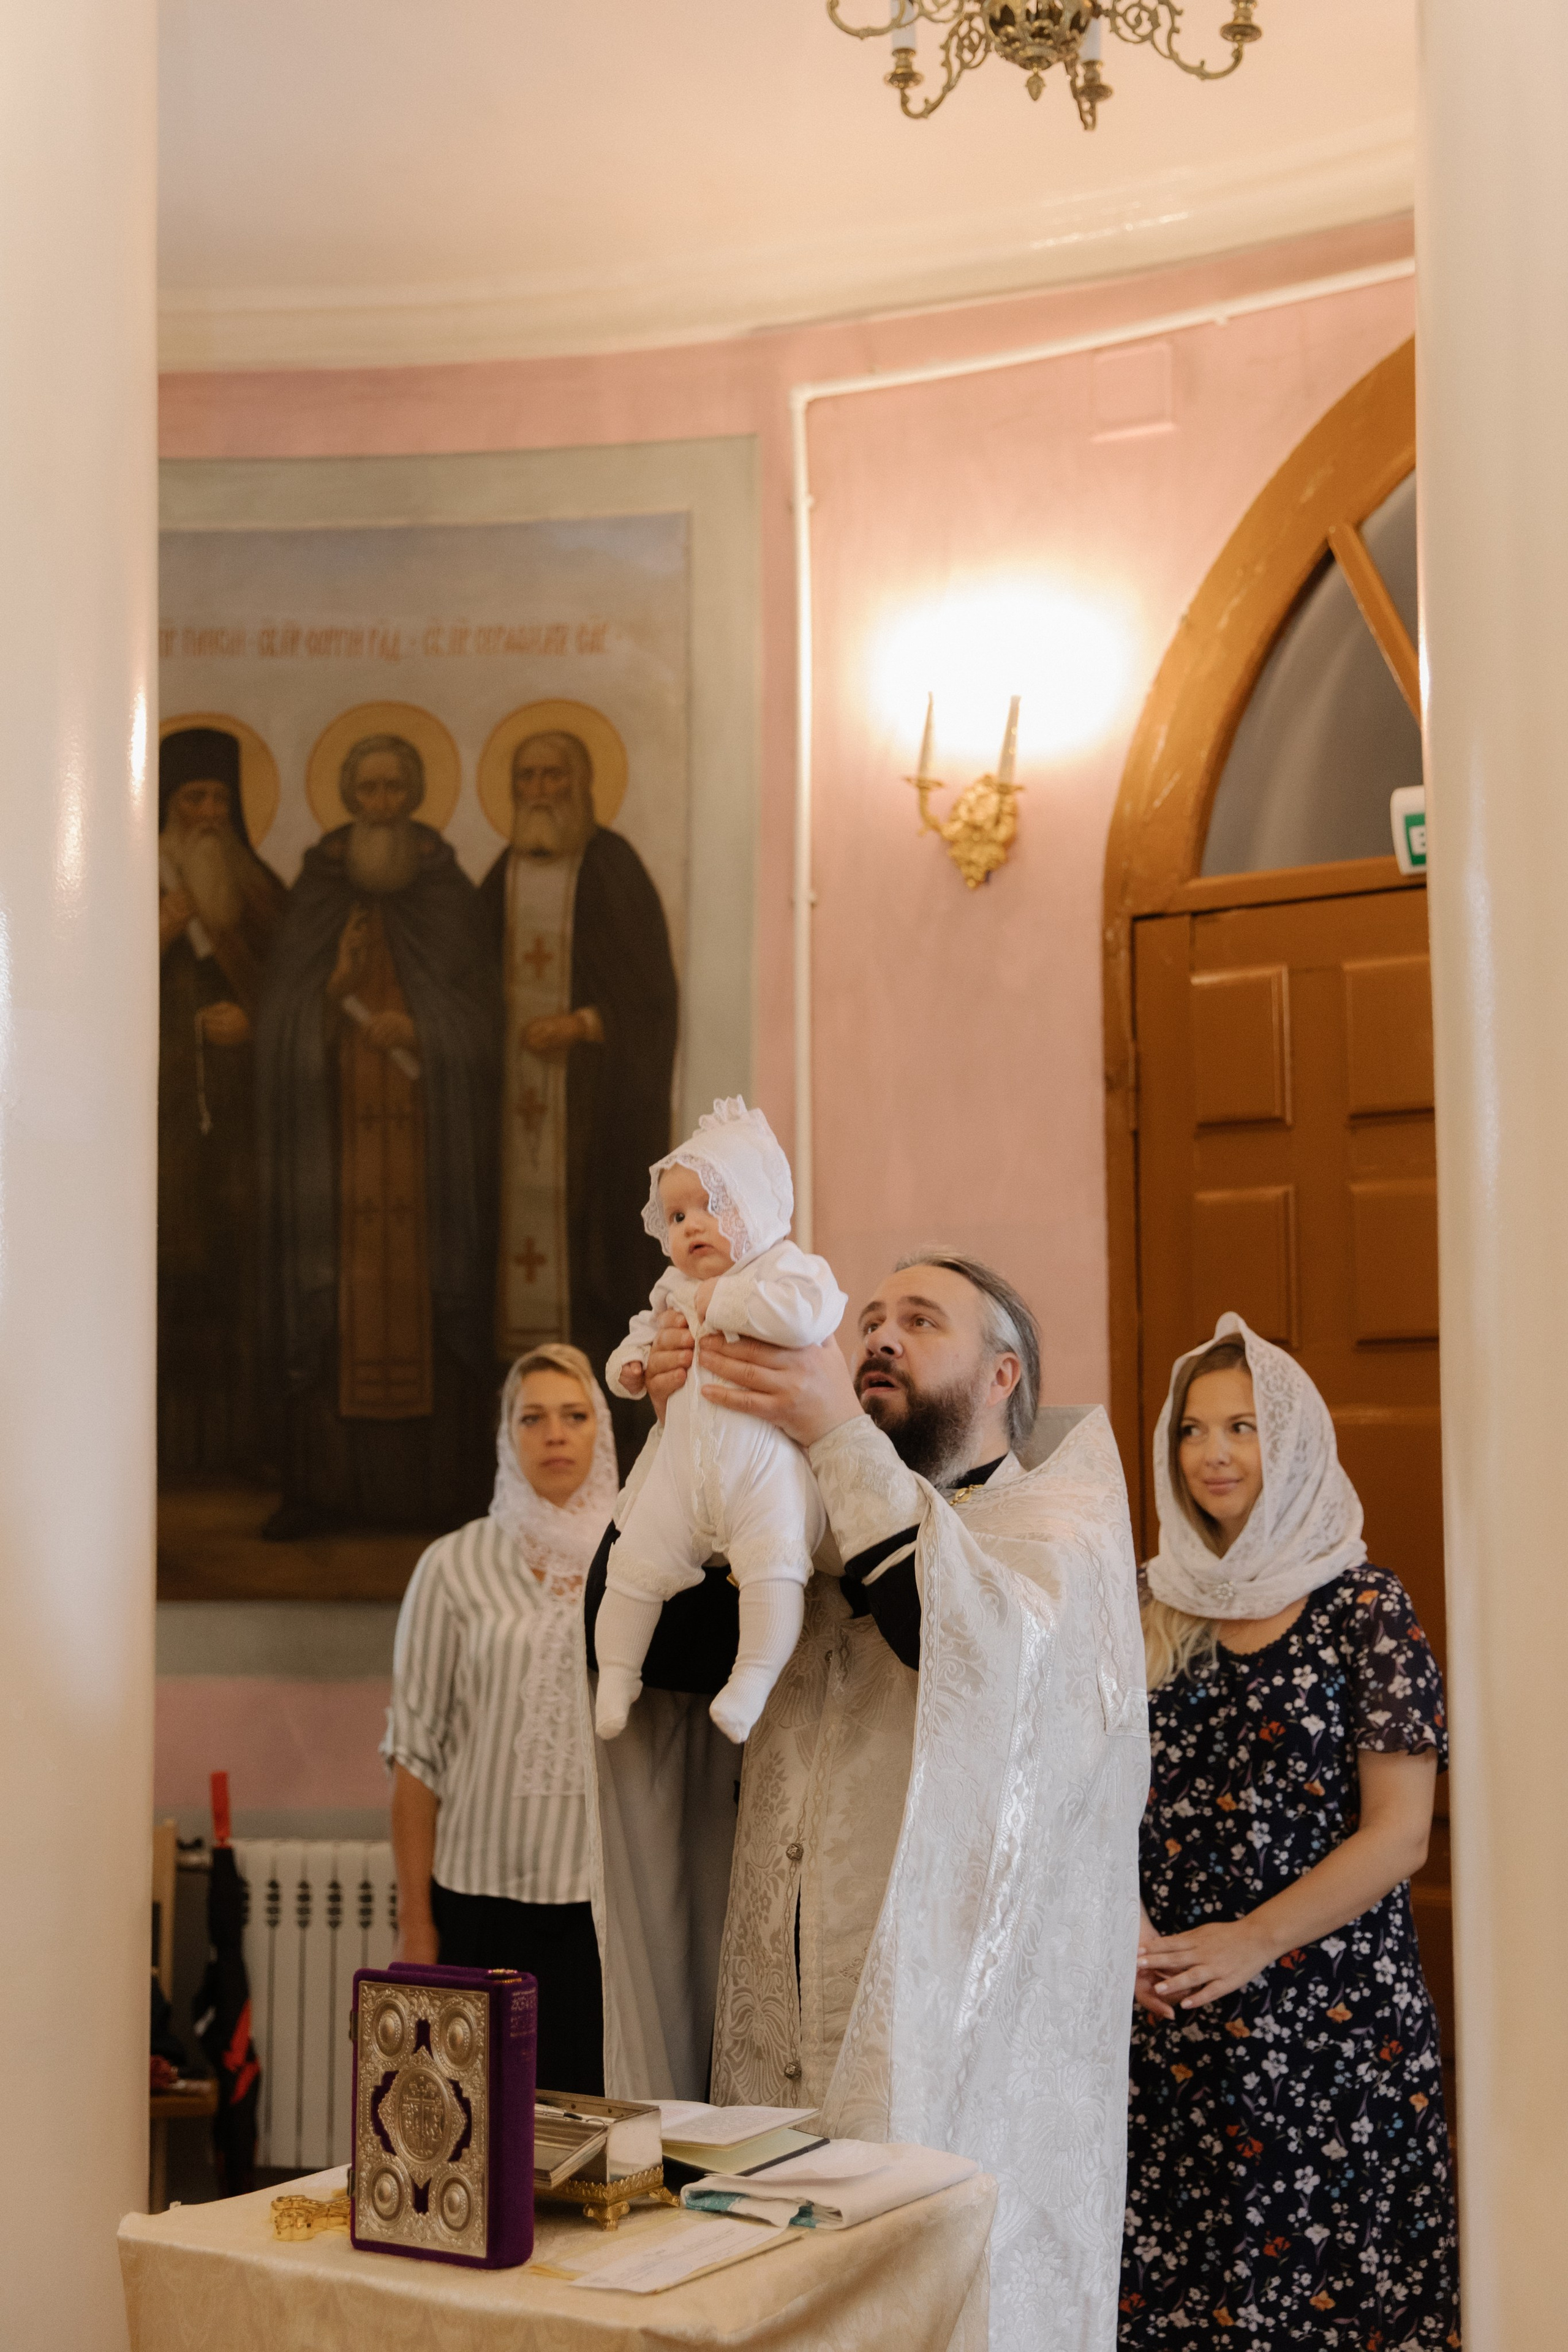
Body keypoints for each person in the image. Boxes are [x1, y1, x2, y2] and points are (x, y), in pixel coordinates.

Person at [583, 1249, 1148, 2351]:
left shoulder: (1057, 1539)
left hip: (942, 2080)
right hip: (768, 2066)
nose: (879, 1337)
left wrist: (836, 1433)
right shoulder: (810, 1531)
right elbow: (645, 1645)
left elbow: (953, 1642)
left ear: (1003, 1377)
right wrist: (677, 1436)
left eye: (921, 1321)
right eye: (870, 1319)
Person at [1120, 1313, 1459, 2348]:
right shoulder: (1146, 1602)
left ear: (1297, 1442)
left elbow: (1401, 1836)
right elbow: (1087, 1797)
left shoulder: (1366, 1607)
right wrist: (1127, 1932)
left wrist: (1253, 1939)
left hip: (1333, 2035)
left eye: (1245, 1427)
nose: (1213, 1452)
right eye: (1193, 1429)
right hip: (1172, 2023)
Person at [255, 733, 502, 1536]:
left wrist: (423, 1027)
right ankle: (323, 1490)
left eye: (397, 788)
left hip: (430, 1150)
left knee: (431, 1292)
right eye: (369, 788)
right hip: (335, 1151)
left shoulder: (445, 887)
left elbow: (482, 1016)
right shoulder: (320, 883)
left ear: (417, 794)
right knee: (336, 1293)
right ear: (350, 796)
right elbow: (282, 1017)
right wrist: (329, 999)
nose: (382, 802)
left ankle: (441, 1492)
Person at [384, 1342, 619, 2093]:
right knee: (470, 2133)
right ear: (507, 1437)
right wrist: (418, 1926)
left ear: (601, 1432)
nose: (554, 1434)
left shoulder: (645, 1560)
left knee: (590, 2135)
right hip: (476, 1904)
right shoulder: (452, 1566)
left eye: (574, 1416)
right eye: (533, 1418)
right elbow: (416, 1755)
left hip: (602, 1909)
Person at [596, 1097, 847, 1744]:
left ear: (761, 1206)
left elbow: (809, 1316)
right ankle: (617, 1673)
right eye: (679, 1215)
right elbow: (642, 1334)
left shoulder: (786, 1269)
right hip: (684, 1471)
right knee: (633, 1563)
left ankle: (753, 1679)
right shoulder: (670, 1286)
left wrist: (720, 1297)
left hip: (762, 1468)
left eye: (715, 1206)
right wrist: (631, 1367)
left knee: (773, 1565)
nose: (692, 1226)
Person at [479, 726, 677, 1472]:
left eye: (552, 777)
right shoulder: (501, 874)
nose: (538, 790)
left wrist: (585, 1023)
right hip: (514, 1128)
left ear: (583, 784)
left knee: (596, 1274)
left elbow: (652, 998)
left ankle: (611, 1457)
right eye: (526, 776)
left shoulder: (613, 868)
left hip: (594, 1124)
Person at [157, 725, 285, 1477]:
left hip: (245, 1124)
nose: (208, 813)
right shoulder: (136, 887)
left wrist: (257, 1019)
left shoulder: (258, 885)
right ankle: (167, 1459)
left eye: (218, 800)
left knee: (242, 1277)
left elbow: (305, 997)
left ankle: (245, 1452)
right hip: (166, 1126)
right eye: (192, 798)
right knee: (174, 1274)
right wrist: (152, 942)